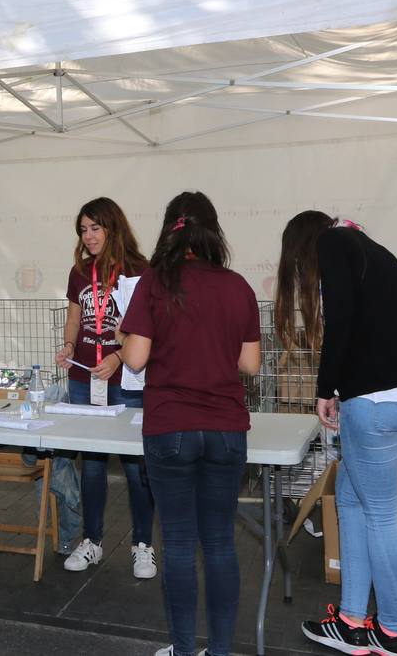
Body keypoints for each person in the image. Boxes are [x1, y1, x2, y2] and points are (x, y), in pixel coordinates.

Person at [279, 212, 397, 656]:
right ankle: (351, 620)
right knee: (349, 497)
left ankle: (392, 631)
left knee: (381, 515)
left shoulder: (332, 244)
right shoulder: (376, 251)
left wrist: (325, 389)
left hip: (375, 403)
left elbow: (341, 322)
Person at [116, 191, 261, 656]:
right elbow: (251, 364)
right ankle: (219, 651)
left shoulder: (154, 282)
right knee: (219, 542)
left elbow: (135, 360)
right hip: (225, 428)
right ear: (212, 231)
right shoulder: (237, 286)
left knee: (177, 543)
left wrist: (125, 338)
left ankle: (181, 649)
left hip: (169, 426)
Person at [54, 196, 157, 578]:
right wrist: (68, 347)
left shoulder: (140, 270)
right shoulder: (80, 272)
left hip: (127, 380)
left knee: (135, 466)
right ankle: (92, 541)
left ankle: (143, 544)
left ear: (113, 227)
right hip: (83, 378)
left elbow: (146, 329)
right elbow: (74, 318)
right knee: (92, 464)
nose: (89, 236)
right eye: (83, 229)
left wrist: (116, 357)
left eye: (95, 228)